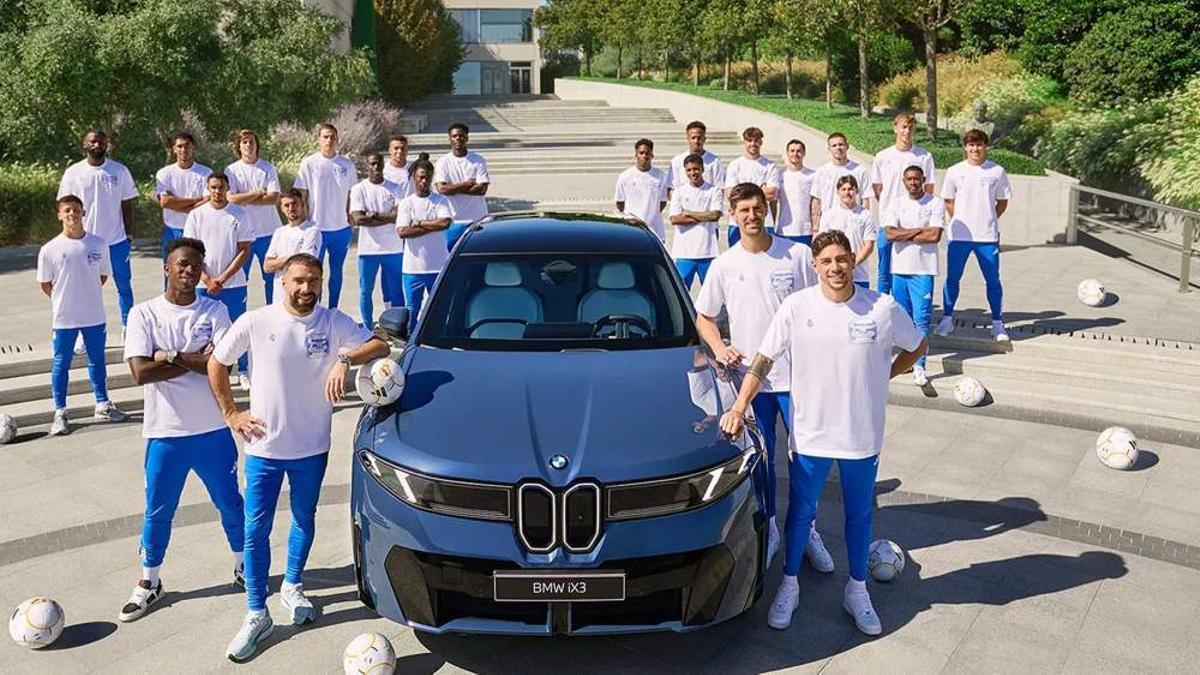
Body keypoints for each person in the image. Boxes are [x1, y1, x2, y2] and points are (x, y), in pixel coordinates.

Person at [719, 229, 926, 635]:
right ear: (815, 266)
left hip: (861, 433)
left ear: (853, 260)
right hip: (811, 432)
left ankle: (857, 590)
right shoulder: (797, 307)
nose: (835, 267)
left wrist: (885, 374)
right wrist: (739, 407)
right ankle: (791, 585)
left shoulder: (881, 308)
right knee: (801, 512)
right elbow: (762, 360)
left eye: (842, 259)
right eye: (827, 261)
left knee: (860, 515)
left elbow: (918, 345)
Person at [209, 253, 389, 662]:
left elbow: (379, 343)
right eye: (299, 281)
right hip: (264, 449)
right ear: (283, 282)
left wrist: (344, 358)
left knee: (304, 520)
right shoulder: (256, 321)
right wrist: (231, 413)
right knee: (256, 531)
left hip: (311, 446)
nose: (307, 289)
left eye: (314, 281)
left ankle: (292, 585)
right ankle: (257, 612)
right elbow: (216, 363)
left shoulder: (331, 321)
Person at [694, 183, 833, 573]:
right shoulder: (725, 264)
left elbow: (821, 305)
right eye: (744, 210)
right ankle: (771, 527)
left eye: (757, 208)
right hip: (750, 382)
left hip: (799, 378)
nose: (751, 216)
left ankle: (807, 531)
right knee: (764, 460)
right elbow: (704, 317)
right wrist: (721, 349)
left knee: (807, 459)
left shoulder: (798, 254)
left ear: (767, 209)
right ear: (733, 215)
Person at [118, 237, 244, 623]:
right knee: (158, 511)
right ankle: (149, 581)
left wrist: (169, 355)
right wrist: (199, 359)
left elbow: (224, 366)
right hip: (165, 432)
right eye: (182, 264)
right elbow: (140, 372)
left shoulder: (216, 310)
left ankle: (244, 567)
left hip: (212, 430)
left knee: (230, 504)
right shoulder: (144, 314)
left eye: (195, 265)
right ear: (166, 268)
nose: (189, 271)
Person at [37, 195, 128, 435]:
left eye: (76, 210)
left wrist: (84, 294)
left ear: (83, 213)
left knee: (97, 360)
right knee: (61, 364)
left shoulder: (98, 244)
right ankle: (60, 412)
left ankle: (102, 404)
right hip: (64, 318)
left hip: (94, 315)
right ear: (59, 215)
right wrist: (64, 299)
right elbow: (46, 284)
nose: (72, 214)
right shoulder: (49, 250)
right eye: (67, 211)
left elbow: (102, 277)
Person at [936, 129, 1012, 342]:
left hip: (987, 237)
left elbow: (1002, 201)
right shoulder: (954, 171)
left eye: (978, 145)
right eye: (971, 145)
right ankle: (947, 318)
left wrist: (989, 219)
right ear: (965, 147)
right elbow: (948, 200)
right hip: (959, 236)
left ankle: (997, 323)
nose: (975, 149)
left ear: (985, 146)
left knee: (993, 280)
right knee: (952, 279)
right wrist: (960, 219)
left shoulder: (996, 171)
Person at [58, 129, 138, 329]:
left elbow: (126, 205)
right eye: (93, 142)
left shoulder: (119, 171)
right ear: (84, 144)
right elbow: (65, 207)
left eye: (102, 142)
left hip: (116, 242)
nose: (97, 145)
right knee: (85, 289)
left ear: (106, 145)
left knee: (124, 287)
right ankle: (82, 331)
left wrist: (128, 235)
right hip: (86, 242)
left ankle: (128, 329)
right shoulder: (73, 173)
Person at [183, 173, 253, 386]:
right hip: (203, 285)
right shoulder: (196, 215)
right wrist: (206, 278)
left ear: (227, 188)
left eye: (221, 187)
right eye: (213, 187)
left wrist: (222, 278)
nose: (217, 192)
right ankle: (205, 371)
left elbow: (244, 250)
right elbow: (191, 251)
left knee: (237, 327)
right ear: (208, 188)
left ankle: (242, 370)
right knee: (203, 329)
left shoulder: (239, 214)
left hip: (233, 284)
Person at [883, 165, 945, 386]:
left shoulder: (935, 202)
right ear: (904, 180)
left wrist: (904, 234)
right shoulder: (896, 203)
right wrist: (919, 230)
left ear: (923, 179)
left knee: (921, 318)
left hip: (923, 269)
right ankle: (906, 361)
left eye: (916, 179)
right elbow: (889, 234)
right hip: (899, 269)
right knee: (903, 319)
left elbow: (935, 235)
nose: (913, 182)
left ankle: (920, 365)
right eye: (909, 179)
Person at [871, 114, 935, 293]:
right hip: (888, 223)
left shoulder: (924, 156)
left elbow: (929, 187)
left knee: (910, 269)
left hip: (914, 225)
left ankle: (907, 309)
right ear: (895, 128)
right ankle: (882, 308)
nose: (906, 131)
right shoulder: (883, 156)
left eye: (910, 127)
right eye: (903, 127)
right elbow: (877, 187)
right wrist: (890, 209)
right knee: (884, 270)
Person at [294, 124, 356, 309]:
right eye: (325, 137)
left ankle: (333, 310)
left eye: (332, 137)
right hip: (316, 228)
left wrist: (350, 215)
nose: (329, 140)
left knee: (336, 271)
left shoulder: (346, 164)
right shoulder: (309, 163)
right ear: (319, 139)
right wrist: (303, 222)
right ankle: (314, 309)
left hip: (340, 229)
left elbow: (352, 193)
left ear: (337, 139)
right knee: (312, 273)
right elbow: (302, 194)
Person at [226, 129, 283, 305]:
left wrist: (245, 198)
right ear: (238, 146)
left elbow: (273, 198)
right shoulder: (231, 170)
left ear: (257, 145)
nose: (248, 145)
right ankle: (239, 317)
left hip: (269, 233)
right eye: (244, 142)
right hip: (244, 235)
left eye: (251, 141)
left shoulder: (268, 168)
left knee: (272, 279)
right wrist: (258, 193)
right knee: (241, 278)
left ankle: (273, 314)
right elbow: (232, 199)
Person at [397, 155, 453, 332]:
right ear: (414, 177)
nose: (424, 181)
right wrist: (432, 225)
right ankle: (412, 343)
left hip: (437, 266)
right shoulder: (406, 203)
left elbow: (445, 223)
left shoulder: (440, 200)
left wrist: (420, 223)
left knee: (440, 309)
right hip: (413, 269)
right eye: (421, 177)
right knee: (412, 311)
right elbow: (403, 231)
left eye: (427, 177)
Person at [351, 152, 405, 330]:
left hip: (393, 248)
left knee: (396, 290)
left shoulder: (395, 188)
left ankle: (398, 329)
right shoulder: (359, 189)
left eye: (379, 164)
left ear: (384, 165)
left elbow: (398, 216)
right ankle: (367, 329)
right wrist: (386, 217)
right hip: (368, 250)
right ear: (367, 166)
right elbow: (358, 219)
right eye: (372, 164)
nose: (376, 168)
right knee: (366, 291)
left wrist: (373, 215)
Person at [668, 154, 723, 289]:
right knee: (682, 291)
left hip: (708, 251)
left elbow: (715, 215)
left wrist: (689, 213)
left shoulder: (713, 190)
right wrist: (704, 216)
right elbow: (675, 219)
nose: (693, 173)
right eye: (689, 170)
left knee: (710, 291)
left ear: (702, 169)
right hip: (684, 252)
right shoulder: (679, 192)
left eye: (696, 169)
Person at [154, 132, 211, 260]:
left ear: (193, 147)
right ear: (174, 149)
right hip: (173, 230)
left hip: (199, 230)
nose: (183, 150)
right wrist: (196, 200)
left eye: (187, 146)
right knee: (172, 273)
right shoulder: (164, 173)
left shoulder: (206, 173)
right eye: (179, 146)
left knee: (199, 271)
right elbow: (165, 202)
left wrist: (177, 203)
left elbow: (208, 202)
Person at [434, 123, 490, 249]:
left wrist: (453, 188)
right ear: (449, 138)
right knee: (450, 258)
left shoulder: (478, 160)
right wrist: (467, 184)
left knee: (478, 258)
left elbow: (482, 189)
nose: (458, 138)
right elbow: (442, 189)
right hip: (453, 222)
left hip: (477, 221)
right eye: (454, 136)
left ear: (467, 138)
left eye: (461, 135)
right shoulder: (443, 162)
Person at [723, 127, 781, 246]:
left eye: (756, 140)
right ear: (744, 142)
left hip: (765, 222)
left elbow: (772, 193)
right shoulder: (735, 165)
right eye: (749, 140)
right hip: (737, 223)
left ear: (761, 142)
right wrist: (760, 189)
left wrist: (741, 190)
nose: (753, 144)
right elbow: (730, 194)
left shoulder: (770, 166)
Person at [816, 176, 876, 290]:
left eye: (850, 189)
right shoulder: (828, 215)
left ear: (856, 191)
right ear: (838, 192)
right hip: (834, 276)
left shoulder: (865, 215)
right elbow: (822, 246)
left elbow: (869, 246)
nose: (847, 192)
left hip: (859, 276)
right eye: (843, 189)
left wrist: (852, 264)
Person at [264, 190, 323, 303]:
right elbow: (267, 266)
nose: (291, 208)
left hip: (303, 295)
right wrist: (293, 257)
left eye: (294, 203)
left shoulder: (313, 231)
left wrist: (278, 262)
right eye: (286, 205)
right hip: (279, 295)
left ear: (302, 205)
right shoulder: (279, 232)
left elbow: (305, 262)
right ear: (281, 209)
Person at [811, 133, 870, 234]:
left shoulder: (860, 170)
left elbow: (865, 200)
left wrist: (864, 222)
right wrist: (816, 228)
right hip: (829, 224)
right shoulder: (822, 171)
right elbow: (816, 201)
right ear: (829, 149)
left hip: (853, 225)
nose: (838, 148)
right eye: (834, 145)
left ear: (847, 147)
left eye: (841, 144)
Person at [614, 139, 670, 242]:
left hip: (655, 229)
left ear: (652, 155)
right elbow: (619, 203)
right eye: (641, 153)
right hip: (632, 228)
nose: (644, 156)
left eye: (647, 153)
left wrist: (651, 215)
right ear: (636, 155)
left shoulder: (661, 176)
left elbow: (662, 202)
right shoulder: (625, 176)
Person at [776, 139, 817, 247]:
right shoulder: (780, 175)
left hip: (805, 231)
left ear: (804, 153)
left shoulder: (813, 176)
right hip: (784, 230)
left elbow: (816, 204)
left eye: (799, 151)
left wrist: (816, 228)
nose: (795, 154)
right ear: (787, 153)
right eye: (792, 151)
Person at [668, 120, 725, 190]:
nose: (696, 141)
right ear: (688, 139)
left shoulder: (715, 161)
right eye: (693, 138)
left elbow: (720, 187)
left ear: (704, 139)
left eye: (699, 138)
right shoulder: (676, 161)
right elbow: (671, 188)